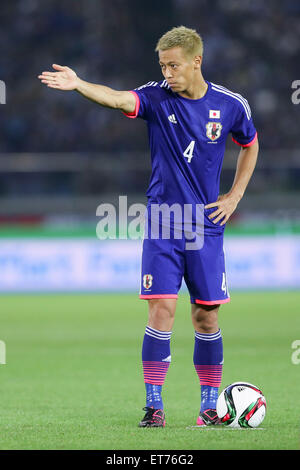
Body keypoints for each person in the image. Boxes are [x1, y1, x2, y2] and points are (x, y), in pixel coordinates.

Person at [38, 26, 259, 428]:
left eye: (174, 66)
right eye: (163, 65)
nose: (167, 73)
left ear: (196, 62)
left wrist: (235, 195)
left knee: (206, 316)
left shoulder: (230, 105)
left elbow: (250, 143)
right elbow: (119, 98)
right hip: (163, 222)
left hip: (206, 225)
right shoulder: (156, 96)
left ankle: (209, 406)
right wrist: (79, 84)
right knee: (161, 309)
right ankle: (154, 406)